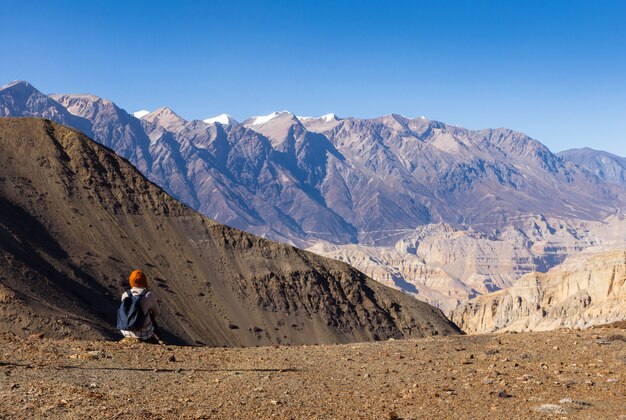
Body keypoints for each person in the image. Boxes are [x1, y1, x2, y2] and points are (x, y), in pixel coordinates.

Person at [119, 269, 161, 344]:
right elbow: (157, 313)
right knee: (150, 314)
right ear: (144, 281)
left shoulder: (125, 294)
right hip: (144, 334)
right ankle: (160, 338)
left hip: (125, 331)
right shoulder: (148, 295)